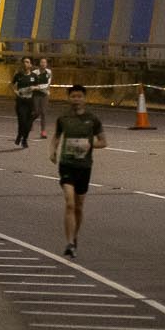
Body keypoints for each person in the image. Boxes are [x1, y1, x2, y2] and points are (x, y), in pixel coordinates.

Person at [49, 84, 106, 258]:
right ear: (69, 98)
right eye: (73, 96)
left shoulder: (93, 120)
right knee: (70, 203)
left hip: (84, 166)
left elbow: (103, 141)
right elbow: (56, 137)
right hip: (67, 165)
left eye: (79, 96)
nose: (76, 99)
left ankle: (75, 237)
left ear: (84, 98)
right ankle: (69, 243)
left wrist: (90, 145)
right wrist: (52, 151)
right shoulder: (63, 118)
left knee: (79, 206)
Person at [11, 56, 39, 148]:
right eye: (24, 62)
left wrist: (34, 87)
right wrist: (15, 91)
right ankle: (19, 135)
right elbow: (12, 85)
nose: (25, 63)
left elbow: (38, 86)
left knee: (28, 123)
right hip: (21, 102)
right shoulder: (18, 75)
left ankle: (24, 139)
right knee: (22, 121)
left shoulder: (34, 76)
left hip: (30, 102)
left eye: (27, 62)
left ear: (31, 64)